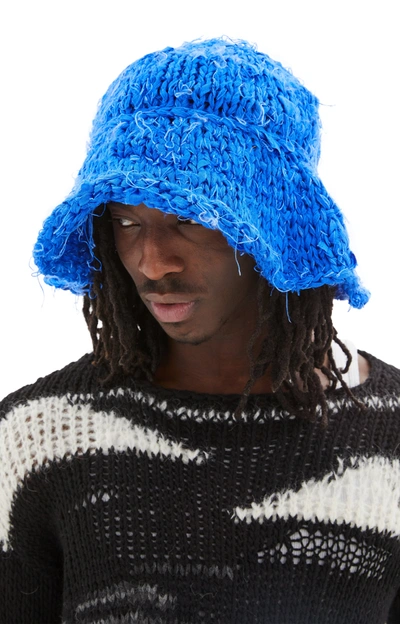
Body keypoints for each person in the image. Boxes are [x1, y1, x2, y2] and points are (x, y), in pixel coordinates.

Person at [0, 37, 399, 624]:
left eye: (190, 218)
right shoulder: (38, 437)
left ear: (274, 225)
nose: (152, 262)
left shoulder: (391, 437)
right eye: (127, 222)